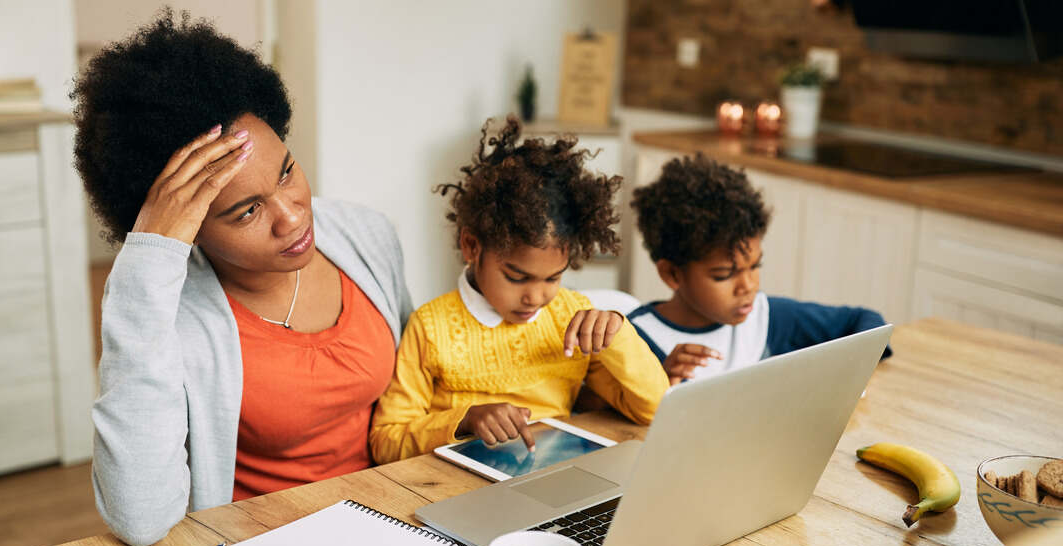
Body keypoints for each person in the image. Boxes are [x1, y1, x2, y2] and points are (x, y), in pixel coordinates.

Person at [75, 10, 412, 546]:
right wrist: (148, 261)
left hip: (397, 524)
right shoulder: (169, 310)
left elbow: (418, 394)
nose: (294, 217)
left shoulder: (364, 236)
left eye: (286, 171)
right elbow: (139, 518)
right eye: (247, 211)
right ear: (189, 229)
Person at [369, 117, 668, 463]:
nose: (537, 297)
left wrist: (619, 336)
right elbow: (386, 441)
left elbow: (655, 411)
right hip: (452, 485)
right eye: (516, 277)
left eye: (553, 278)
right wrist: (465, 419)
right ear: (471, 246)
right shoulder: (431, 327)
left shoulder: (570, 316)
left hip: (552, 478)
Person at [627, 154, 890, 385]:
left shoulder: (765, 319)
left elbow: (867, 323)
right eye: (724, 275)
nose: (748, 285)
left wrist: (843, 373)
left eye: (755, 266)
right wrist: (659, 380)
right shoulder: (634, 340)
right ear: (672, 274)